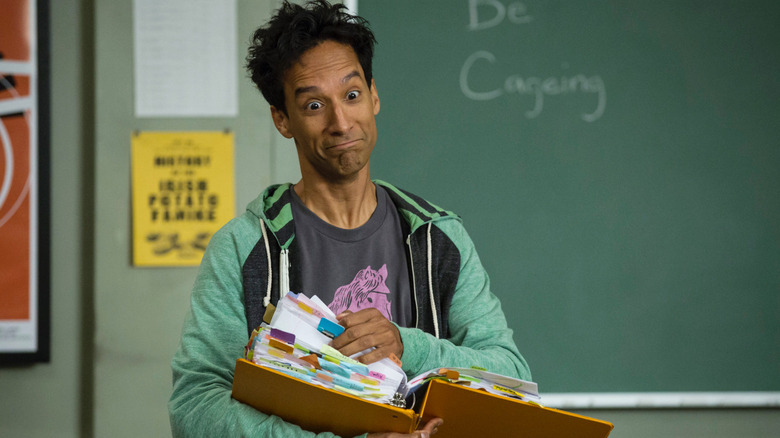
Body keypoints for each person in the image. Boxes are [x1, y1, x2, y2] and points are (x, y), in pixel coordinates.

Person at [168, 1, 531, 437]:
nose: (340, 122)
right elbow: (195, 407)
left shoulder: (437, 239)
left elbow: (511, 376)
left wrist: (407, 345)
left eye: (352, 95)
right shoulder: (245, 248)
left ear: (374, 96)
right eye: (314, 105)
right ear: (282, 119)